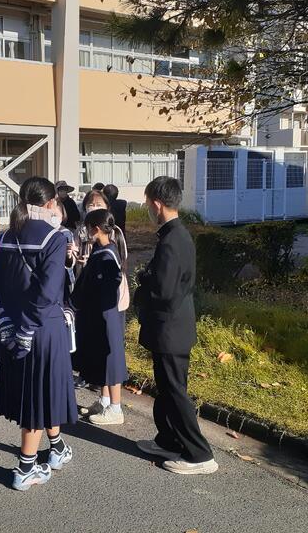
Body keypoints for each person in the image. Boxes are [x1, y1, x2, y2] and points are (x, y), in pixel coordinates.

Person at [0, 176, 77, 491]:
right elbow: (48, 293)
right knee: (38, 397)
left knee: (41, 393)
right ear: (51, 202)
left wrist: (4, 322)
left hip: (12, 327)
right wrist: (26, 328)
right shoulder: (55, 237)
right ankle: (26, 468)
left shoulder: (5, 236)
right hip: (42, 329)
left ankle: (57, 447)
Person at [133, 176, 218, 475]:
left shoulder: (171, 240)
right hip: (174, 328)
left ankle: (199, 454)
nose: (147, 210)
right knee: (168, 389)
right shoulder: (177, 235)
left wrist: (142, 286)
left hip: (170, 330)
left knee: (175, 392)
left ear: (157, 204)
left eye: (147, 204)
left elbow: (164, 293)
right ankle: (168, 440)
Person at [71, 209, 127, 426]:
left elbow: (107, 287)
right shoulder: (102, 249)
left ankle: (116, 408)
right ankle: (104, 401)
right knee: (103, 359)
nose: (85, 232)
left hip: (106, 316)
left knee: (111, 361)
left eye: (87, 228)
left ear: (95, 229)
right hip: (99, 315)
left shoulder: (107, 254)